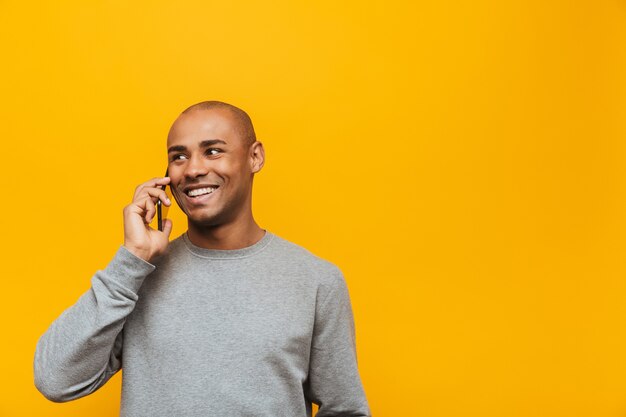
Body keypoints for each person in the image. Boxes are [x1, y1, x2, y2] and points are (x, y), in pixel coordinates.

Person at [34, 100, 371, 416]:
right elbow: (55, 379)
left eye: (212, 151)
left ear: (255, 157)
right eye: (179, 157)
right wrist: (131, 261)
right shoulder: (137, 276)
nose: (193, 169)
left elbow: (345, 409)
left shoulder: (316, 281)